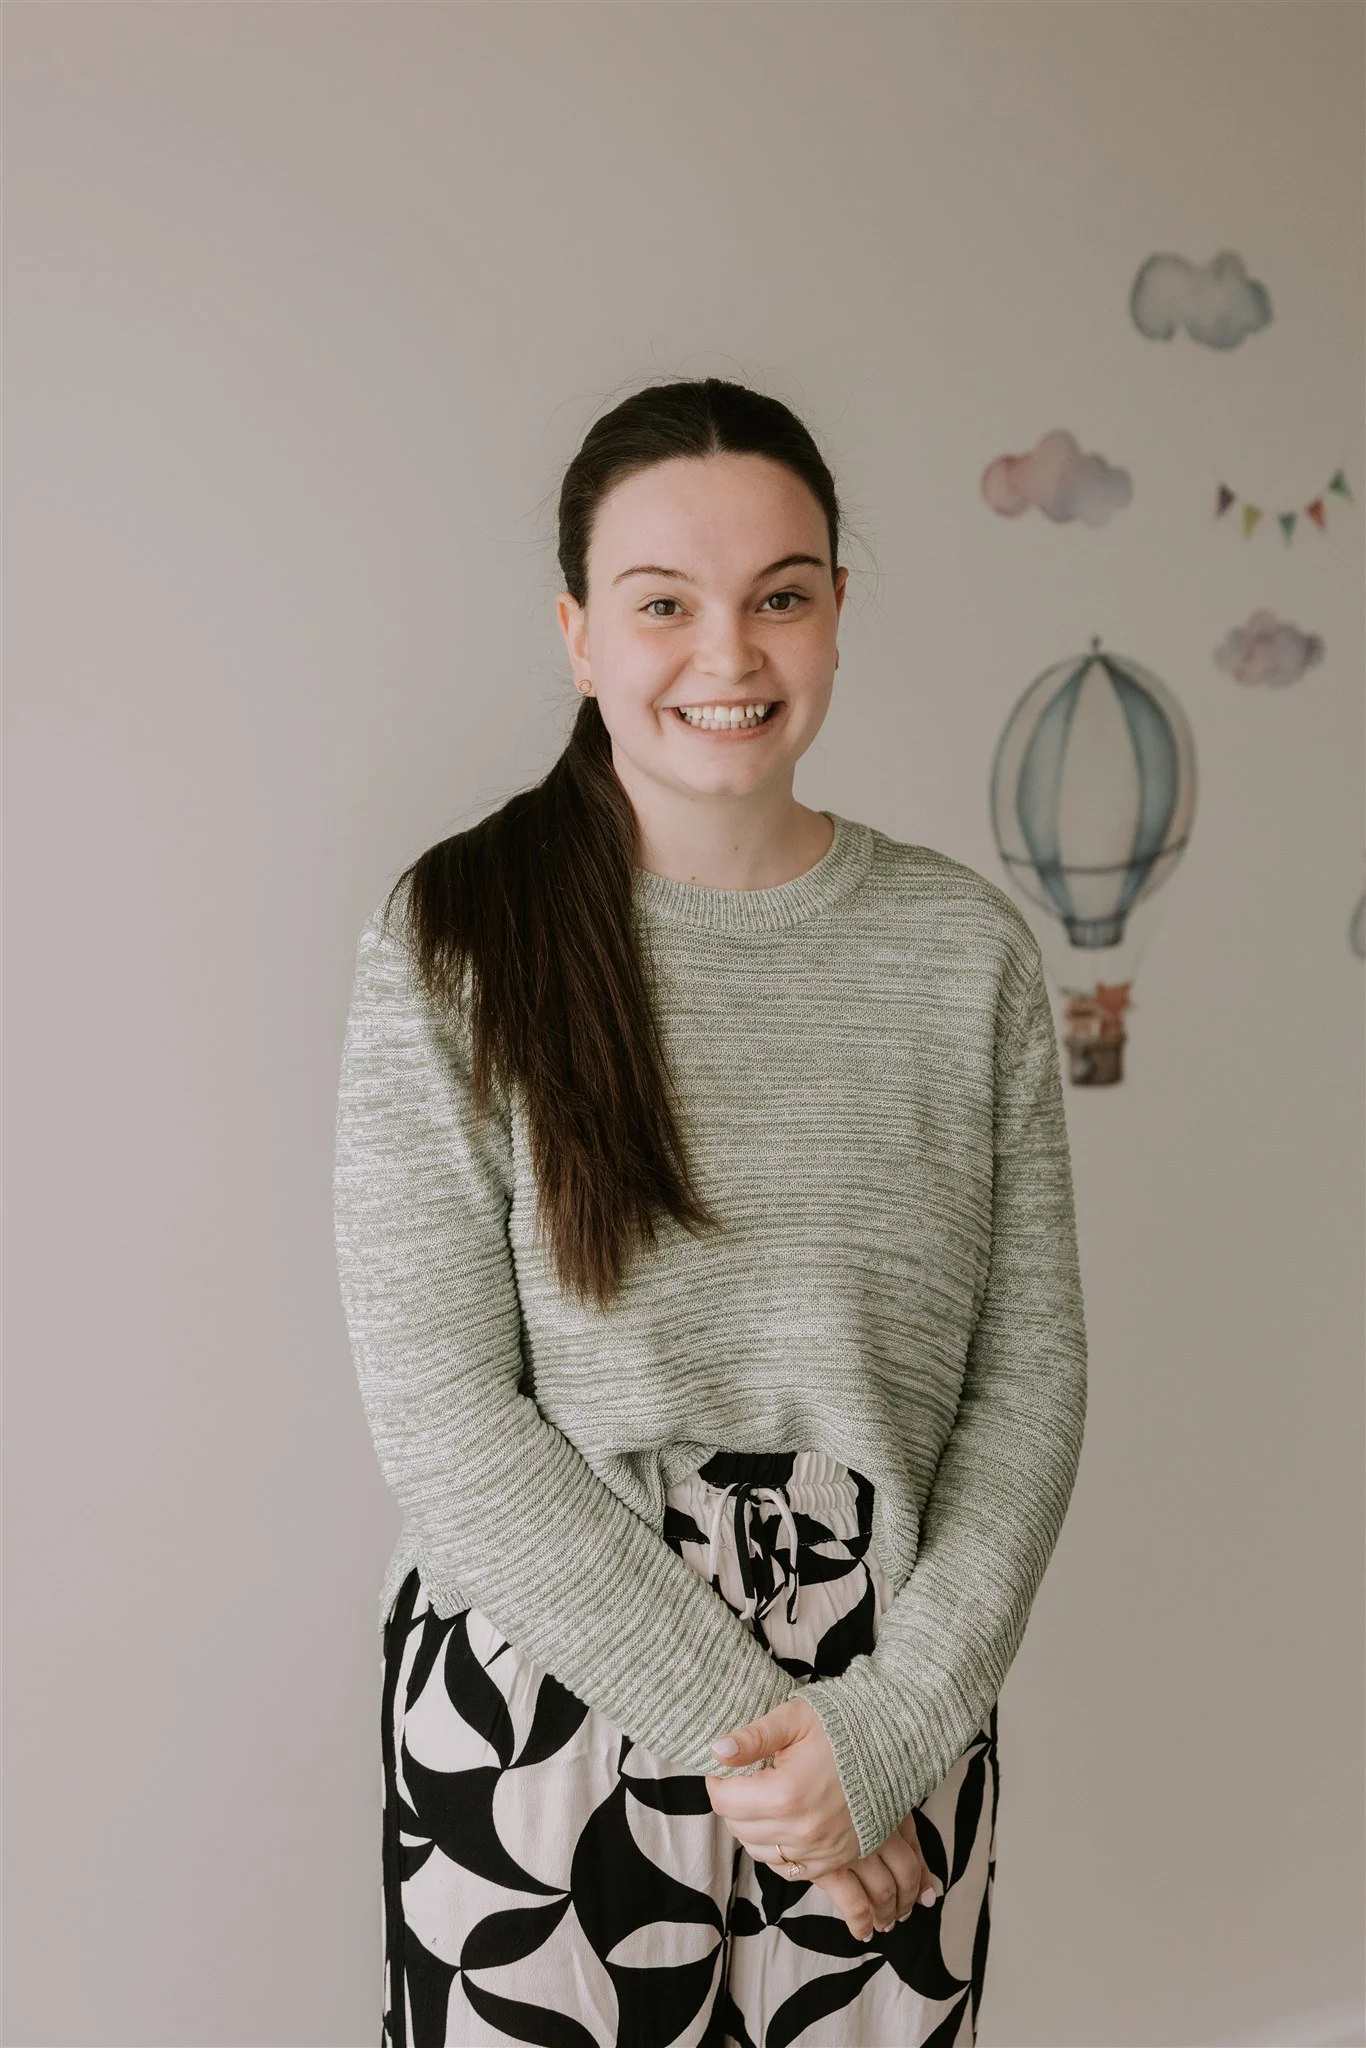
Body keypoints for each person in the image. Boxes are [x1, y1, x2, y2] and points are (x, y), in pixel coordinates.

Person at [332, 375, 1089, 2048]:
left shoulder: (960, 954)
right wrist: (762, 1749)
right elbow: (441, 1406)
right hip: (550, 1678)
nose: (728, 655)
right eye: (663, 604)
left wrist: (883, 1731)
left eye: (782, 599)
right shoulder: (455, 934)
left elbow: (1025, 1389)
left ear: (834, 616)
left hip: (886, 1703)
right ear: (580, 633)